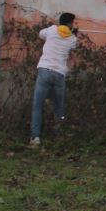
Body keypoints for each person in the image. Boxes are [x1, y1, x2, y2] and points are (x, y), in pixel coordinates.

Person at [29, 12, 78, 148]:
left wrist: (54, 28)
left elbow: (40, 34)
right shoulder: (72, 38)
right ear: (69, 24)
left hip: (44, 70)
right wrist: (74, 33)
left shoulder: (51, 30)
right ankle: (59, 134)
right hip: (59, 74)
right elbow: (74, 45)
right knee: (59, 106)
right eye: (73, 23)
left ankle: (35, 137)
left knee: (38, 105)